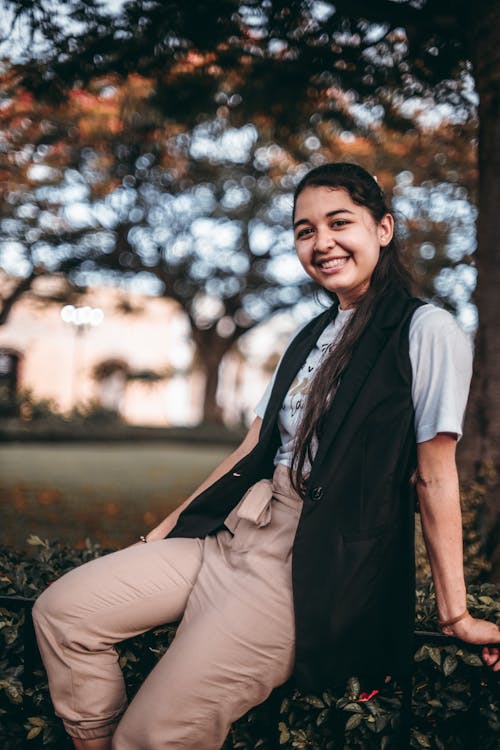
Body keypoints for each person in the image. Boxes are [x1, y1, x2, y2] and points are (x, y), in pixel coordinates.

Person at [33, 162, 500, 750]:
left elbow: (434, 477)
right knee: (63, 613)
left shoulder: (426, 329)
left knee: (153, 736)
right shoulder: (309, 334)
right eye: (305, 230)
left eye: (339, 223)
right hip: (232, 535)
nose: (321, 242)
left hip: (300, 568)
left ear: (383, 228)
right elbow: (253, 448)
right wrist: (166, 529)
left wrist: (454, 614)